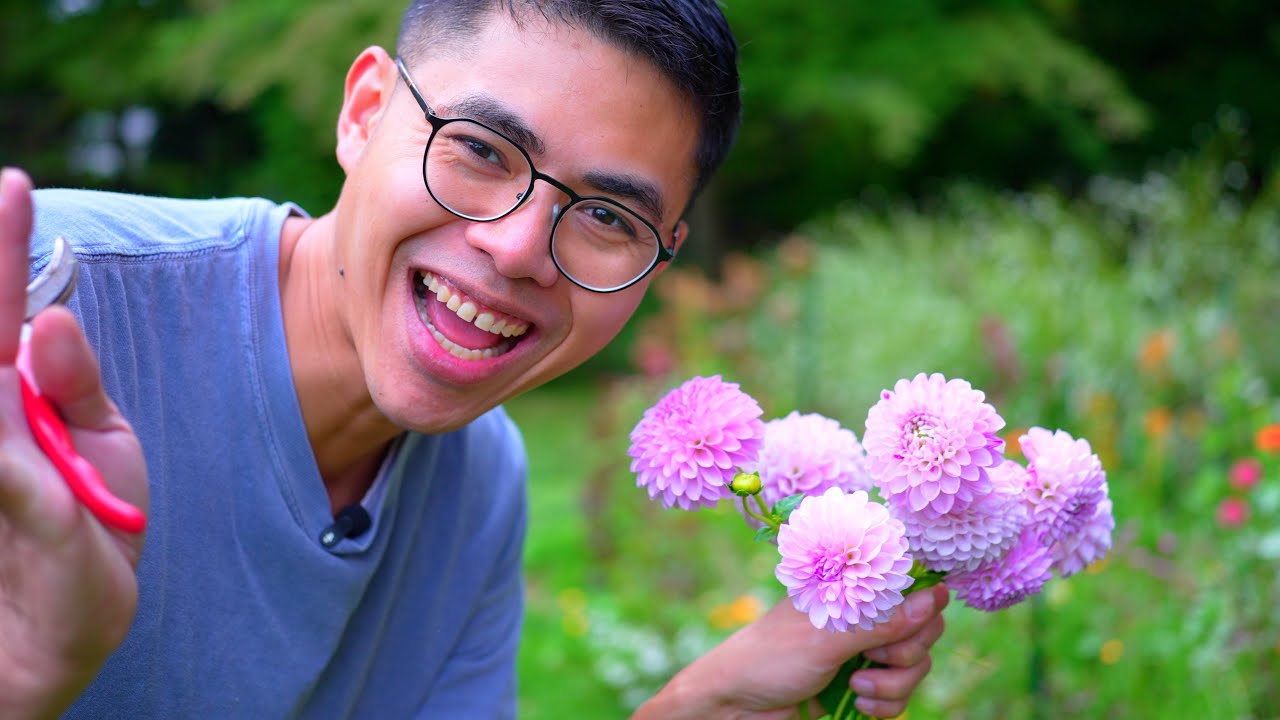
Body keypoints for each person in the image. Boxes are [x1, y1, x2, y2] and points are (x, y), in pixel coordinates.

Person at [0, 1, 948, 717]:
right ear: (364, 112)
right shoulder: (44, 300)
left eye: (607, 216)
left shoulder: (482, 482)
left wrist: (701, 705)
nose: (518, 247)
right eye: (482, 150)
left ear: (659, 260)